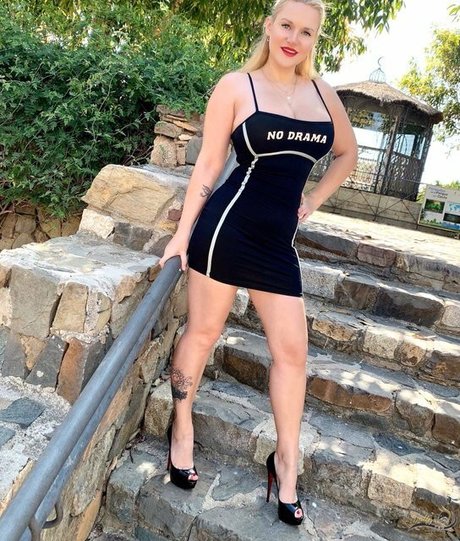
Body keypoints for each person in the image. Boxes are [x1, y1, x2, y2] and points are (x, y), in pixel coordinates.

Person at [159, 0, 358, 526]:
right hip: (226, 231)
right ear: (269, 28)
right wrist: (182, 234)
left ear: (315, 40)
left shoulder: (324, 94)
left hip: (277, 245)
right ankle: (182, 427)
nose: (294, 38)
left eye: (306, 32)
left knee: (293, 353)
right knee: (203, 333)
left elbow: (348, 154)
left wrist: (313, 200)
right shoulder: (236, 86)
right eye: (286, 25)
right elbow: (209, 164)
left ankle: (286, 462)